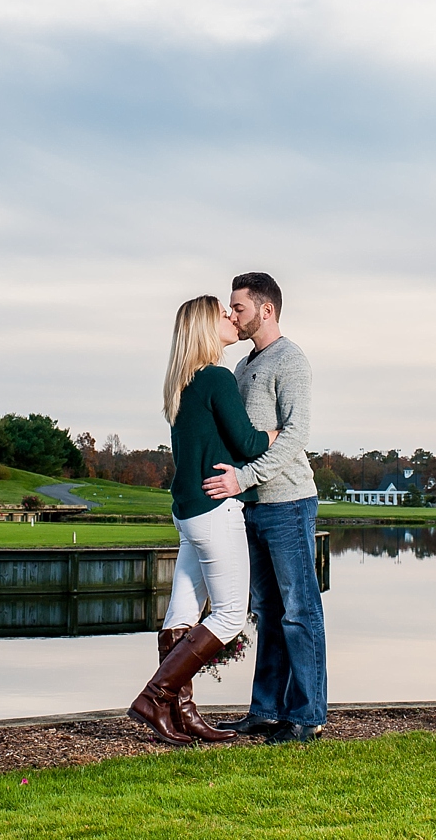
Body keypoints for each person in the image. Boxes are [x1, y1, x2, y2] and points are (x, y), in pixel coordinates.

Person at [127, 295, 278, 746]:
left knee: (183, 613)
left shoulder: (184, 383)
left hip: (189, 511)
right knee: (230, 617)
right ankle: (158, 695)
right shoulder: (215, 378)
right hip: (214, 511)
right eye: (224, 314)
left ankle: (180, 713)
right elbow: (250, 444)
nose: (233, 318)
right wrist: (280, 432)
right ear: (205, 329)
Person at [203, 272, 326, 744]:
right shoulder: (240, 368)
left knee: (299, 611)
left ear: (266, 309)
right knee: (267, 611)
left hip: (289, 502)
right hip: (252, 505)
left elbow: (296, 435)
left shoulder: (289, 360)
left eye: (238, 307)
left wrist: (244, 478)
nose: (232, 315)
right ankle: (266, 711)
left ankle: (307, 716)